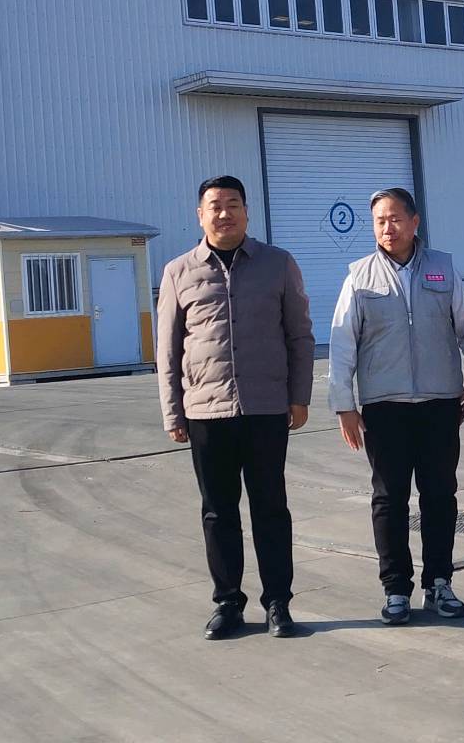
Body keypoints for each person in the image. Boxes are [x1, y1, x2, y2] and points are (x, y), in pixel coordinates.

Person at [157, 175, 314, 639]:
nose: (224, 213)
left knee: (271, 508)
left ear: (247, 211)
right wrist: (173, 412)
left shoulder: (278, 264)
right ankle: (228, 603)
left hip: (266, 409)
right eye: (215, 205)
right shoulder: (178, 271)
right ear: (200, 215)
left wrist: (299, 396)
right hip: (206, 413)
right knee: (217, 511)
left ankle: (278, 603)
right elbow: (167, 350)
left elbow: (300, 336)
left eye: (233, 204)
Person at [328, 187, 464, 625]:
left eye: (396, 218)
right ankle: (396, 588)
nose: (388, 228)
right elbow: (342, 345)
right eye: (380, 221)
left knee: (440, 496)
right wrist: (344, 405)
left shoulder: (443, 269)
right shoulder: (359, 277)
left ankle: (439, 583)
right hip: (385, 408)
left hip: (440, 404)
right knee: (389, 499)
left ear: (415, 222)